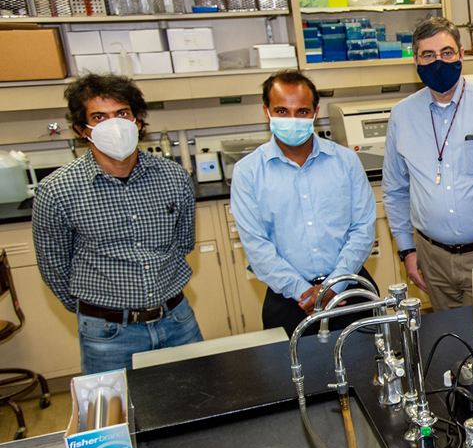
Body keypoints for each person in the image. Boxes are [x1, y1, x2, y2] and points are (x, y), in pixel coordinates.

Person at [32, 74, 203, 374]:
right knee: (120, 414)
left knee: (201, 404)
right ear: (81, 129)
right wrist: (101, 312)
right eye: (99, 116)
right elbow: (55, 270)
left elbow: (184, 244)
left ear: (137, 120)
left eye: (121, 113)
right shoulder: (57, 191)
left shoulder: (174, 177)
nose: (113, 124)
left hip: (177, 320)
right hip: (108, 335)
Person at [230, 70, 376, 336]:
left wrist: (335, 284)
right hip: (289, 300)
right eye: (282, 111)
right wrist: (302, 291)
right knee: (292, 376)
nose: (292, 119)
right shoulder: (248, 172)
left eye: (302, 111)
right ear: (267, 112)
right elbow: (257, 246)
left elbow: (363, 228)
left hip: (349, 291)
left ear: (315, 112)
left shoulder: (345, 162)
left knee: (368, 369)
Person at [383, 17, 473, 312]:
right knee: (448, 344)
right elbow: (395, 190)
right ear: (415, 60)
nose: (438, 62)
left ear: (462, 54)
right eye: (428, 55)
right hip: (432, 259)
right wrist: (407, 252)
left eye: (447, 53)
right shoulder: (402, 115)